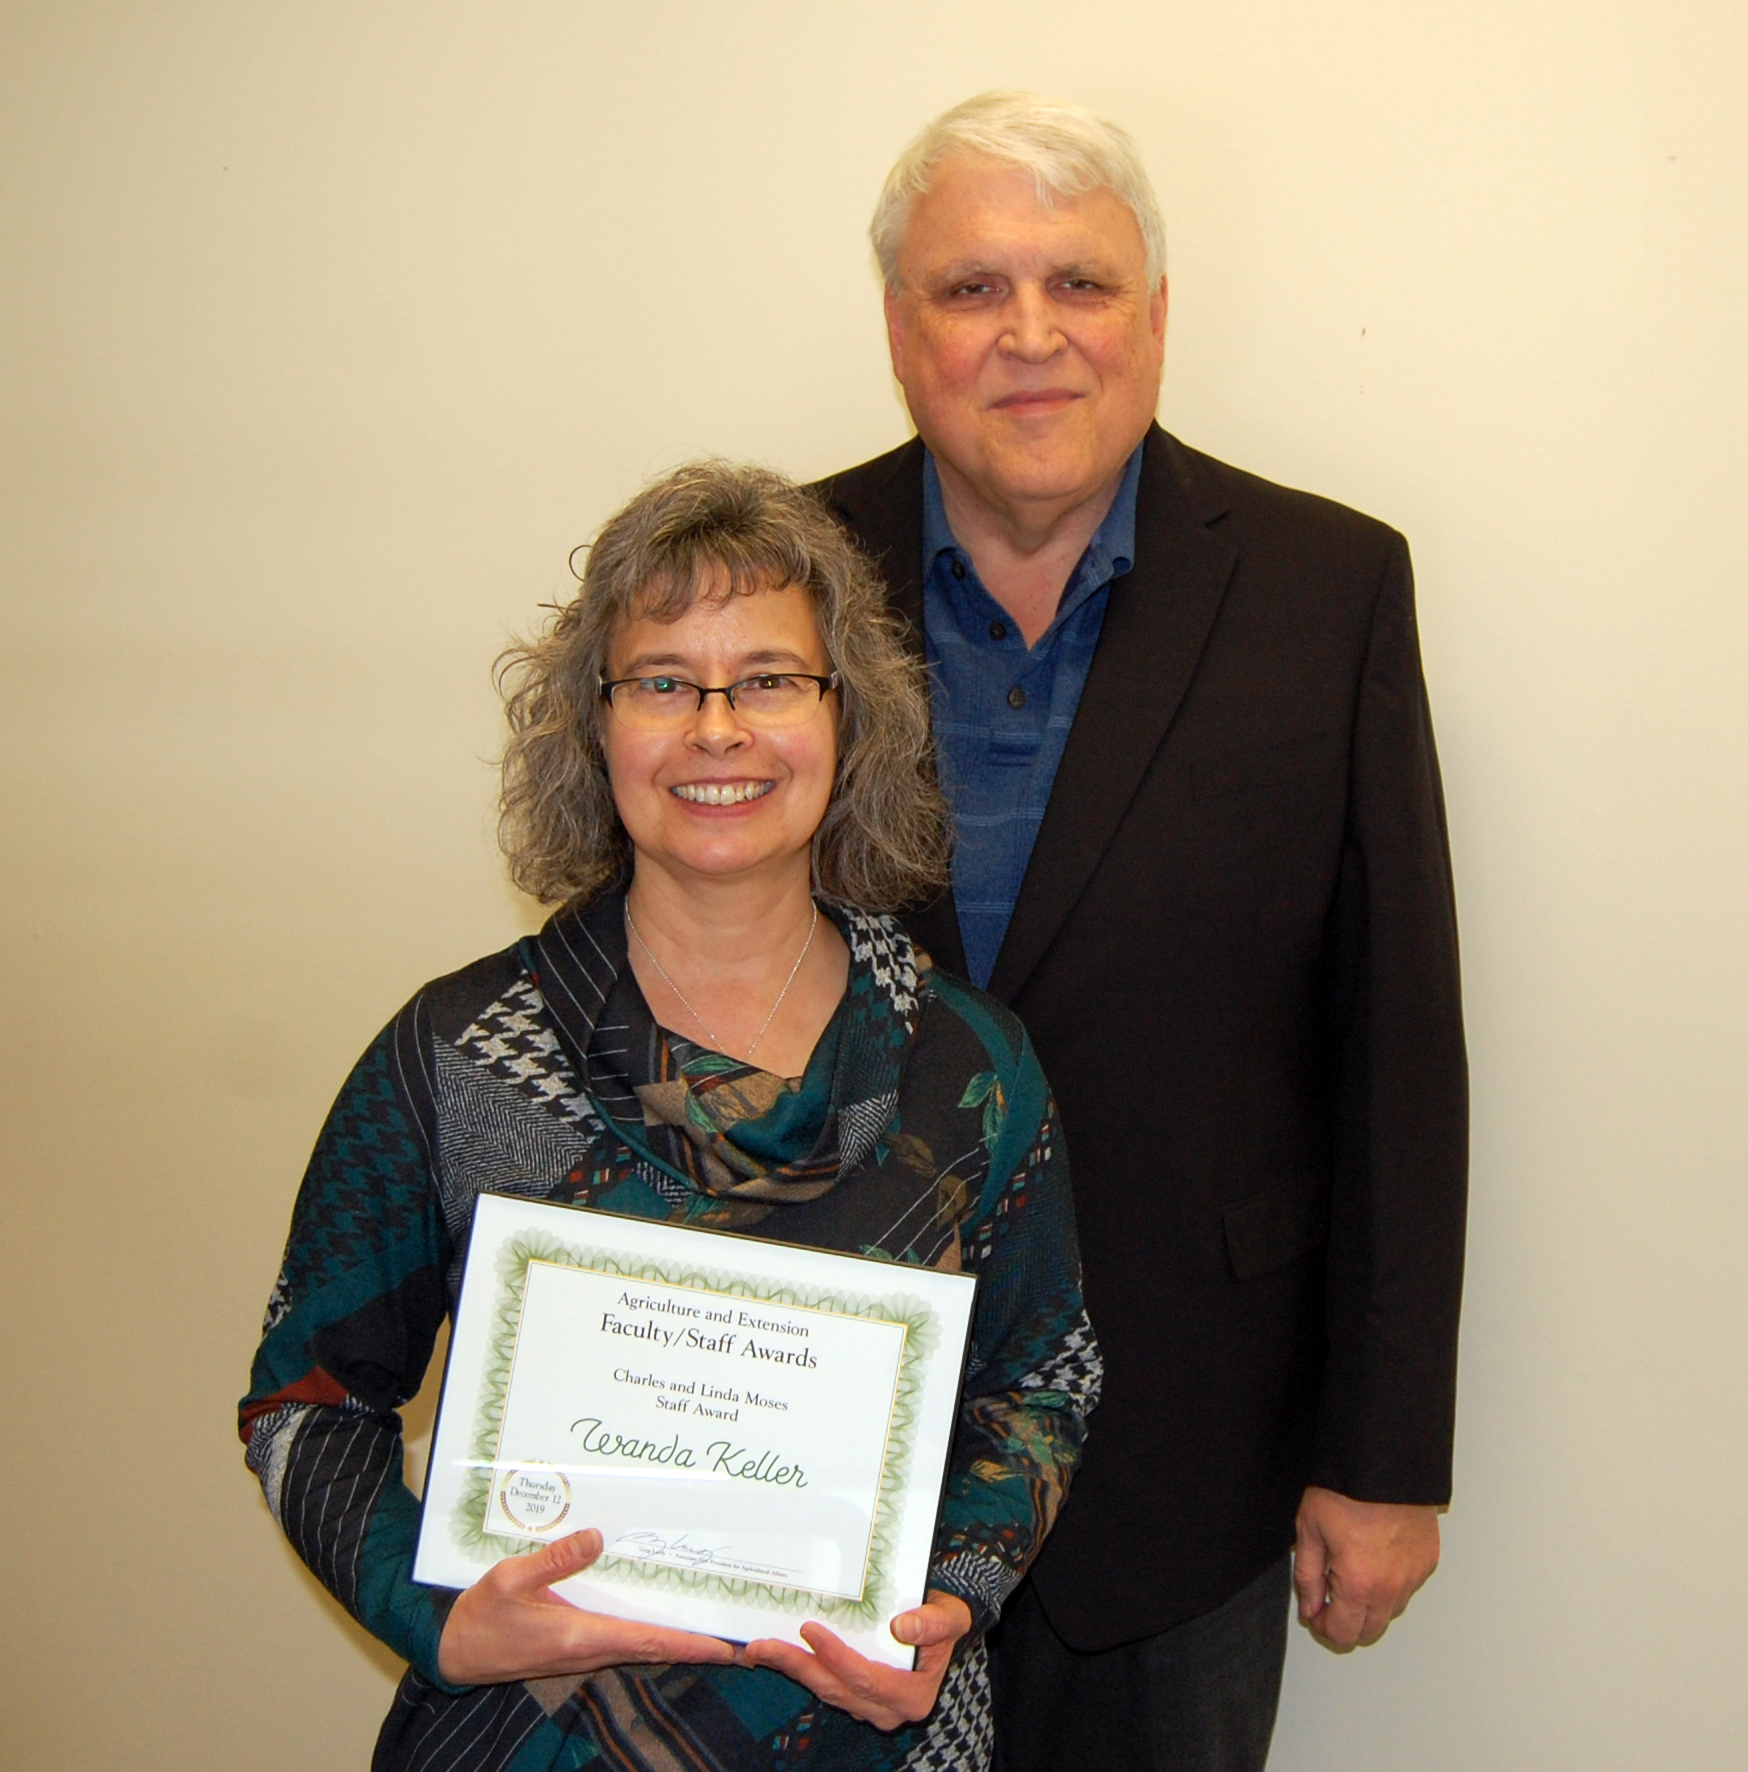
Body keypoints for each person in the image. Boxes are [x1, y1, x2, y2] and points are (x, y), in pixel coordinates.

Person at [239, 461, 1100, 1772]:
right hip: (531, 1742)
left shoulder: (966, 1068)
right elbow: (304, 1398)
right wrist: (438, 1619)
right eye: (662, 680)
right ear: (594, 727)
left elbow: (1045, 1379)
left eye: (767, 678)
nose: (717, 728)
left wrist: (956, 1595)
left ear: (845, 719)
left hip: (870, 1738)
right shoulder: (464, 1056)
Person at [814, 93, 1468, 1771]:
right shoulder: (776, 588)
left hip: (1194, 1459)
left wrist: (1387, 1453)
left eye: (1081, 285)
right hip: (827, 1449)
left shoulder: (1329, 589)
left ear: (1156, 318)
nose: (1031, 337)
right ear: (899, 331)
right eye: (971, 291)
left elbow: (1396, 1050)